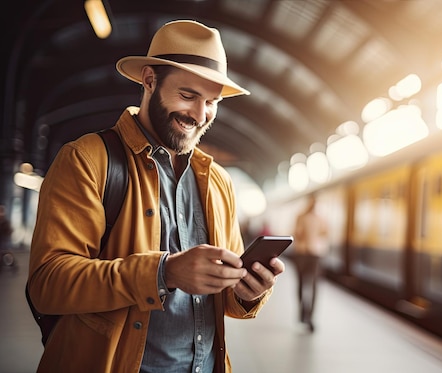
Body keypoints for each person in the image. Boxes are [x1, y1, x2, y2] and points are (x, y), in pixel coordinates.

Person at [28, 20, 284, 373]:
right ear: (149, 80)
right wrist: (164, 273)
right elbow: (49, 284)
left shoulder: (219, 183)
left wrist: (248, 291)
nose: (200, 115)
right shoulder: (87, 159)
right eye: (188, 95)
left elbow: (224, 299)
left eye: (212, 101)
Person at [293, 195, 329, 332]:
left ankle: (306, 315)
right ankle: (306, 314)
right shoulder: (309, 217)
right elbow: (325, 233)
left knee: (306, 284)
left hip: (307, 253)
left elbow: (298, 233)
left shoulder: (304, 217)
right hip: (311, 254)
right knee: (309, 285)